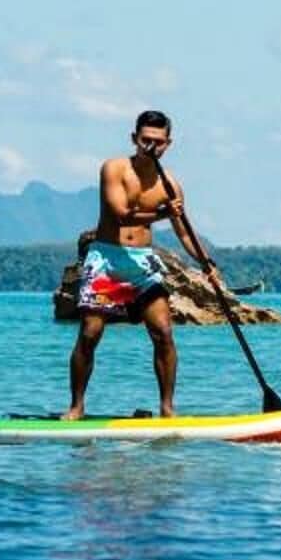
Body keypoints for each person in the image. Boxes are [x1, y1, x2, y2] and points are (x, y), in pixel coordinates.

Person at [64, 109, 227, 419]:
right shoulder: (114, 168)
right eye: (145, 140)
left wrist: (208, 264)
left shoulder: (170, 186)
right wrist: (165, 213)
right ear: (134, 139)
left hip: (143, 263)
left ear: (169, 144)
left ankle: (167, 409)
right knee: (89, 333)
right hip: (108, 259)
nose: (151, 147)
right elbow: (121, 213)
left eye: (158, 142)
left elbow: (185, 234)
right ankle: (76, 406)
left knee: (163, 331)